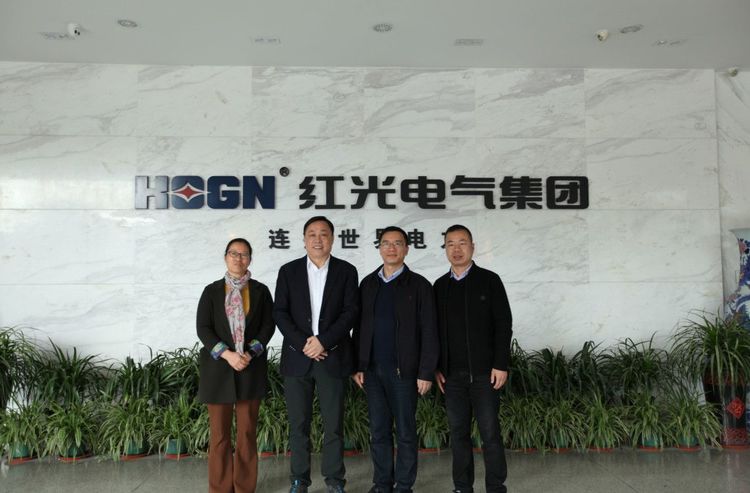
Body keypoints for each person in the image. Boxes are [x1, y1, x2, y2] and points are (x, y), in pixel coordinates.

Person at [273, 216, 359, 493]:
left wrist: (323, 342)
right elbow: (280, 313)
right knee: (298, 424)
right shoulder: (288, 271)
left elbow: (351, 312)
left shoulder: (346, 271)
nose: (318, 239)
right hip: (297, 358)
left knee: (333, 425)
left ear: (332, 239)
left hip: (332, 357)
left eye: (323, 234)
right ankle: (299, 479)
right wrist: (304, 343)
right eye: (312, 234)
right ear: (304, 240)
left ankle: (334, 479)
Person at [353, 226, 439, 493]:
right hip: (372, 372)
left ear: (406, 249)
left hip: (406, 373)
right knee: (378, 431)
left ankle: (403, 485)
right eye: (386, 243)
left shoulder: (420, 286)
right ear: (379, 248)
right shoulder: (368, 284)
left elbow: (430, 331)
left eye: (398, 243)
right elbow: (359, 328)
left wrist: (425, 371)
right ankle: (382, 484)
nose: (391, 248)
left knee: (405, 432)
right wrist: (358, 366)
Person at [434, 225, 513, 493]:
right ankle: (462, 487)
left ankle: (496, 487)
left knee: (490, 434)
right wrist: (436, 367)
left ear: (472, 247)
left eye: (462, 243)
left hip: (485, 375)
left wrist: (500, 364)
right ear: (445, 248)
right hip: (452, 378)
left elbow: (503, 324)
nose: (456, 249)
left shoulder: (489, 281)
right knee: (458, 435)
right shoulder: (440, 286)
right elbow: (433, 331)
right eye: (450, 244)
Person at [196, 238, 275, 493]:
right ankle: (220, 488)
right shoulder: (211, 291)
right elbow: (203, 328)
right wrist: (228, 355)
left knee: (247, 434)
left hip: (250, 369)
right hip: (218, 370)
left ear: (250, 259)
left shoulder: (261, 291)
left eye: (244, 254)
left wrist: (249, 353)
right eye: (234, 253)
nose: (238, 258)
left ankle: (244, 487)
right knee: (219, 436)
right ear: (225, 257)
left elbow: (268, 326)